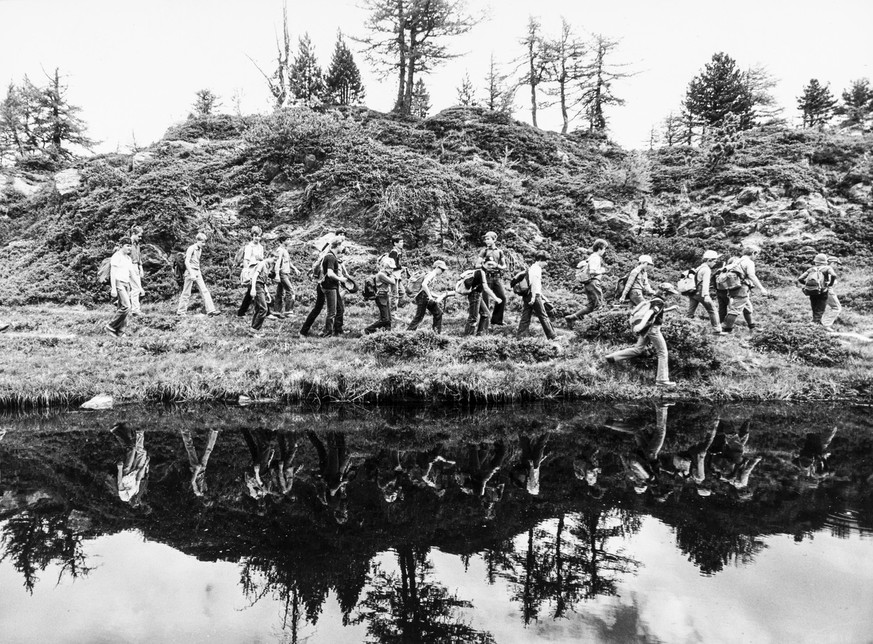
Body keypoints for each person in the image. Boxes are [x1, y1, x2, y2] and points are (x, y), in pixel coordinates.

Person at [605, 282, 679, 387]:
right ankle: (662, 380)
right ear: (664, 292)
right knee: (663, 352)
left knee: (638, 349)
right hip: (652, 329)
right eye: (669, 294)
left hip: (646, 329)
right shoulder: (660, 302)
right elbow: (649, 314)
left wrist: (670, 309)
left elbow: (656, 313)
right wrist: (640, 325)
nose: (670, 296)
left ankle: (612, 357)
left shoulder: (654, 299)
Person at [299, 230, 346, 337]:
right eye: (341, 245)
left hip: (322, 285)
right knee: (331, 312)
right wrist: (340, 279)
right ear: (337, 245)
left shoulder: (329, 256)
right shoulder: (330, 257)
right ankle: (327, 332)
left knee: (319, 309)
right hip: (329, 286)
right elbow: (329, 273)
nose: (342, 248)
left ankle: (304, 331)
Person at [721, 245, 768, 333]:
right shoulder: (749, 262)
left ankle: (752, 327)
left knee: (748, 307)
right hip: (741, 288)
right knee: (735, 309)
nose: (756, 257)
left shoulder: (736, 260)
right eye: (756, 255)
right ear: (753, 253)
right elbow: (751, 275)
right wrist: (761, 288)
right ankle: (726, 330)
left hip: (734, 286)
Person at [564, 238, 609, 329]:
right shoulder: (596, 258)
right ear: (600, 248)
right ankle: (594, 327)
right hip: (593, 283)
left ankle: (571, 318)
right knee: (599, 306)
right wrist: (602, 271)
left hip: (589, 284)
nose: (604, 251)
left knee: (591, 306)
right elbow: (592, 271)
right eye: (604, 249)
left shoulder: (591, 257)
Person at [516, 251, 556, 340]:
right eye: (545, 261)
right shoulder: (537, 269)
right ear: (541, 260)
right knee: (543, 316)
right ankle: (552, 336)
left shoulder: (532, 267)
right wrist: (534, 297)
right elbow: (534, 284)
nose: (546, 263)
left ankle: (520, 337)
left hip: (527, 295)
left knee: (525, 316)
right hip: (534, 295)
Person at [176, 232, 219, 316]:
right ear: (197, 241)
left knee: (204, 290)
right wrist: (191, 273)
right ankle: (181, 312)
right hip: (190, 272)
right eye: (202, 242)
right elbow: (186, 262)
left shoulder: (200, 249)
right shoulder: (191, 248)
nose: (204, 244)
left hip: (197, 271)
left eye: (204, 242)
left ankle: (211, 310)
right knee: (186, 292)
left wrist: (197, 272)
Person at [110, 422, 150, 507]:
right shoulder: (136, 491)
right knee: (136, 451)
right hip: (133, 472)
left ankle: (116, 431)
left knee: (131, 449)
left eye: (135, 502)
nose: (136, 500)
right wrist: (145, 465)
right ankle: (125, 430)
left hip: (126, 472)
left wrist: (120, 469)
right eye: (137, 501)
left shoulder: (125, 497)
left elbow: (119, 483)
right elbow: (139, 477)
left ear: (131, 503)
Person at [687, 249, 724, 334]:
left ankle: (685, 326)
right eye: (715, 260)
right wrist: (706, 295)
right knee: (712, 309)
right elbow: (705, 283)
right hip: (701, 292)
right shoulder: (707, 269)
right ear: (709, 260)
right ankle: (717, 329)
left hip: (692, 292)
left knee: (691, 311)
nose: (715, 262)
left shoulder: (699, 267)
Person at [407, 260, 449, 333]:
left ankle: (436, 333)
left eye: (444, 270)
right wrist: (430, 296)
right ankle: (408, 333)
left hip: (425, 296)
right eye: (442, 269)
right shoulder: (432, 274)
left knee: (438, 313)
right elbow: (424, 284)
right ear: (437, 267)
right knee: (419, 316)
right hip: (422, 297)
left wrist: (437, 296)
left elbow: (428, 289)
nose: (443, 271)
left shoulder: (433, 275)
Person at [796, 253, 837, 325]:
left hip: (812, 290)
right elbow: (834, 275)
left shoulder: (811, 269)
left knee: (814, 306)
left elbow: (800, 278)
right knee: (821, 307)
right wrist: (830, 284)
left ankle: (816, 322)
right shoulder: (827, 268)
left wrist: (808, 284)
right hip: (823, 290)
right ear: (825, 261)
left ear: (816, 261)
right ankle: (815, 323)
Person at [105, 237, 134, 337]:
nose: (129, 248)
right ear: (121, 246)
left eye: (131, 246)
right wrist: (113, 288)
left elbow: (131, 273)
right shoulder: (116, 256)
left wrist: (136, 287)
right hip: (118, 283)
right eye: (127, 246)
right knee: (127, 307)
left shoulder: (128, 258)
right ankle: (110, 326)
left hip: (126, 283)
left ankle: (121, 332)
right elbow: (113, 273)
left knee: (122, 308)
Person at [478, 231, 508, 325]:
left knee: (502, 297)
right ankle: (485, 322)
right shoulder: (484, 251)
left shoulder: (499, 252)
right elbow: (477, 265)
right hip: (485, 277)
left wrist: (497, 265)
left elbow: (504, 266)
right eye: (485, 239)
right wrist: (484, 265)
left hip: (497, 278)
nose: (486, 241)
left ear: (494, 239)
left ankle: (497, 320)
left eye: (488, 239)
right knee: (485, 299)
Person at [463, 266, 502, 336]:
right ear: (484, 264)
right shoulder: (481, 272)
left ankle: (480, 335)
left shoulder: (482, 272)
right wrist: (496, 298)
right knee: (473, 318)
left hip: (478, 295)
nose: (492, 267)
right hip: (475, 295)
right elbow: (486, 288)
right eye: (489, 264)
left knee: (485, 314)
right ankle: (468, 337)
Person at [364, 255, 397, 334]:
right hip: (380, 297)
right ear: (385, 267)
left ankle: (388, 334)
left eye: (392, 268)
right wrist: (392, 275)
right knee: (385, 319)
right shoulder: (381, 275)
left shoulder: (385, 274)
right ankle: (369, 329)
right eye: (390, 268)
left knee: (389, 320)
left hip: (385, 296)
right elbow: (393, 282)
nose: (392, 270)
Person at [237, 226, 264, 317]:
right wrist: (246, 272)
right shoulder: (249, 247)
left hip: (258, 270)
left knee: (251, 292)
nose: (257, 238)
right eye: (255, 236)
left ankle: (242, 312)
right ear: (252, 236)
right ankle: (264, 311)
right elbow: (246, 260)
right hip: (251, 271)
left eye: (258, 236)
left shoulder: (261, 247)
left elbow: (262, 259)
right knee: (257, 289)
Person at [249, 251, 278, 337]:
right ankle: (254, 330)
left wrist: (267, 293)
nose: (274, 261)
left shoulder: (268, 266)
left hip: (261, 286)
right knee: (264, 309)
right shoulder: (262, 264)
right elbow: (255, 276)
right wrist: (253, 289)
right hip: (257, 286)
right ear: (269, 256)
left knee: (258, 309)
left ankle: (252, 330)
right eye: (274, 259)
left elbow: (263, 281)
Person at [273, 236, 300, 319]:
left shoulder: (285, 250)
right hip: (282, 273)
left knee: (279, 292)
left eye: (289, 239)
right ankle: (288, 311)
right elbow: (277, 263)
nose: (289, 241)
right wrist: (277, 274)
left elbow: (288, 262)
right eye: (287, 240)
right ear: (282, 241)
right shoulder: (280, 250)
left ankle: (277, 311)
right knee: (290, 291)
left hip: (285, 273)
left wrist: (295, 268)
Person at [715, 255, 739, 325]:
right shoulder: (732, 270)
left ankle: (719, 323)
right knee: (733, 309)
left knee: (722, 308)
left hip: (719, 291)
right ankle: (728, 324)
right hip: (728, 291)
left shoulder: (722, 270)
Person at [822, 256, 843, 329]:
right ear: (833, 263)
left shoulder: (821, 269)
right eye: (837, 264)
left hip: (818, 292)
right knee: (836, 308)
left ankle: (820, 324)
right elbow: (828, 283)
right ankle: (826, 325)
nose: (837, 266)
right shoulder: (829, 270)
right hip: (827, 291)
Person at [128, 226, 145, 315]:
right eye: (139, 236)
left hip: (136, 266)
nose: (140, 238)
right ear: (133, 234)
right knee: (136, 288)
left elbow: (138, 257)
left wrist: (140, 268)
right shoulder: (128, 244)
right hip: (130, 266)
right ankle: (135, 310)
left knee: (135, 288)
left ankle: (121, 301)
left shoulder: (137, 244)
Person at [388, 234, 407, 311]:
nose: (402, 244)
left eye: (402, 242)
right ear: (395, 243)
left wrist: (401, 267)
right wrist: (401, 267)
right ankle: (392, 313)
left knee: (402, 292)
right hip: (393, 276)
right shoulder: (394, 252)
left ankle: (398, 309)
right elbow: (392, 265)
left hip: (397, 275)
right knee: (394, 295)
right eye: (400, 242)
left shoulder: (398, 252)